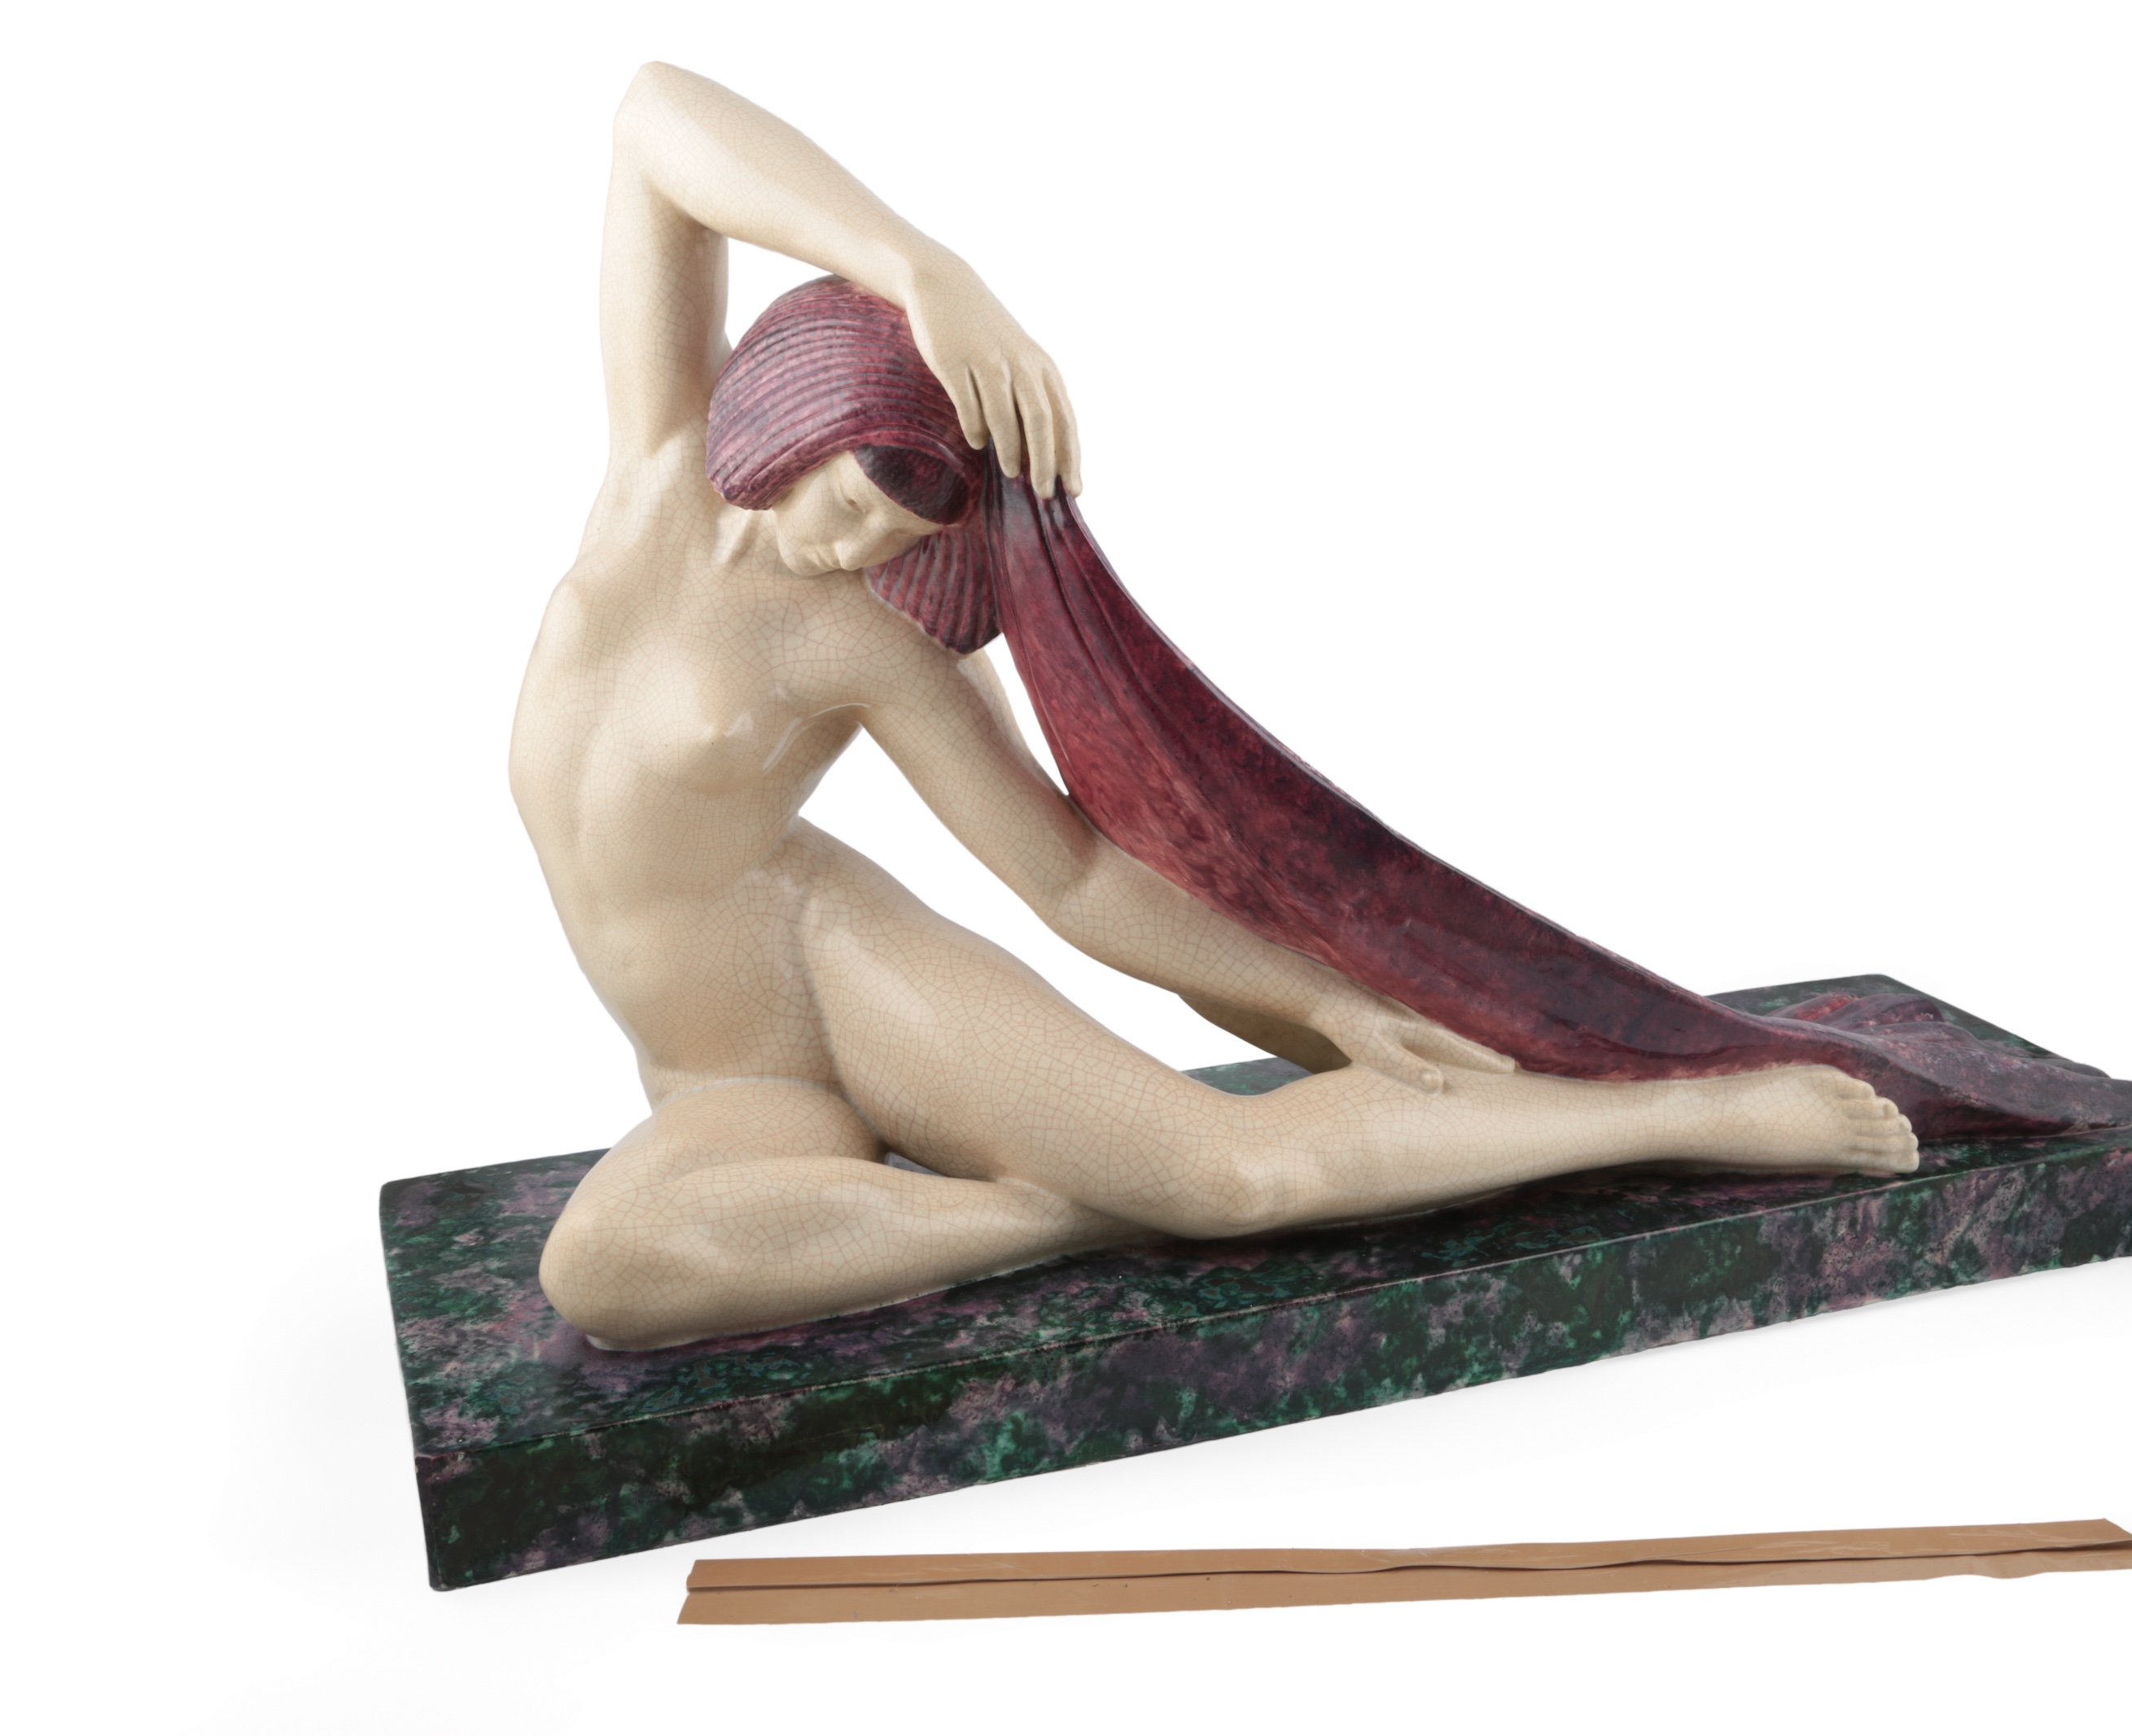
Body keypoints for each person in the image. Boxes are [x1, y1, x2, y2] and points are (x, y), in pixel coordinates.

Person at [518, 65, 1922, 1351]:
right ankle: (1065, 1212)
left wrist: (1320, 999)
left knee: (1233, 1174)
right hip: (724, 1079)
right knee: (605, 1274)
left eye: (906, 533)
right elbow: (652, 126)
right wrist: (919, 265)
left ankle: (1698, 1111)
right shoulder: (655, 469)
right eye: (857, 498)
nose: (864, 548)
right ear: (800, 414)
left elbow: (1071, 873)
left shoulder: (875, 640)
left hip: (829, 967)